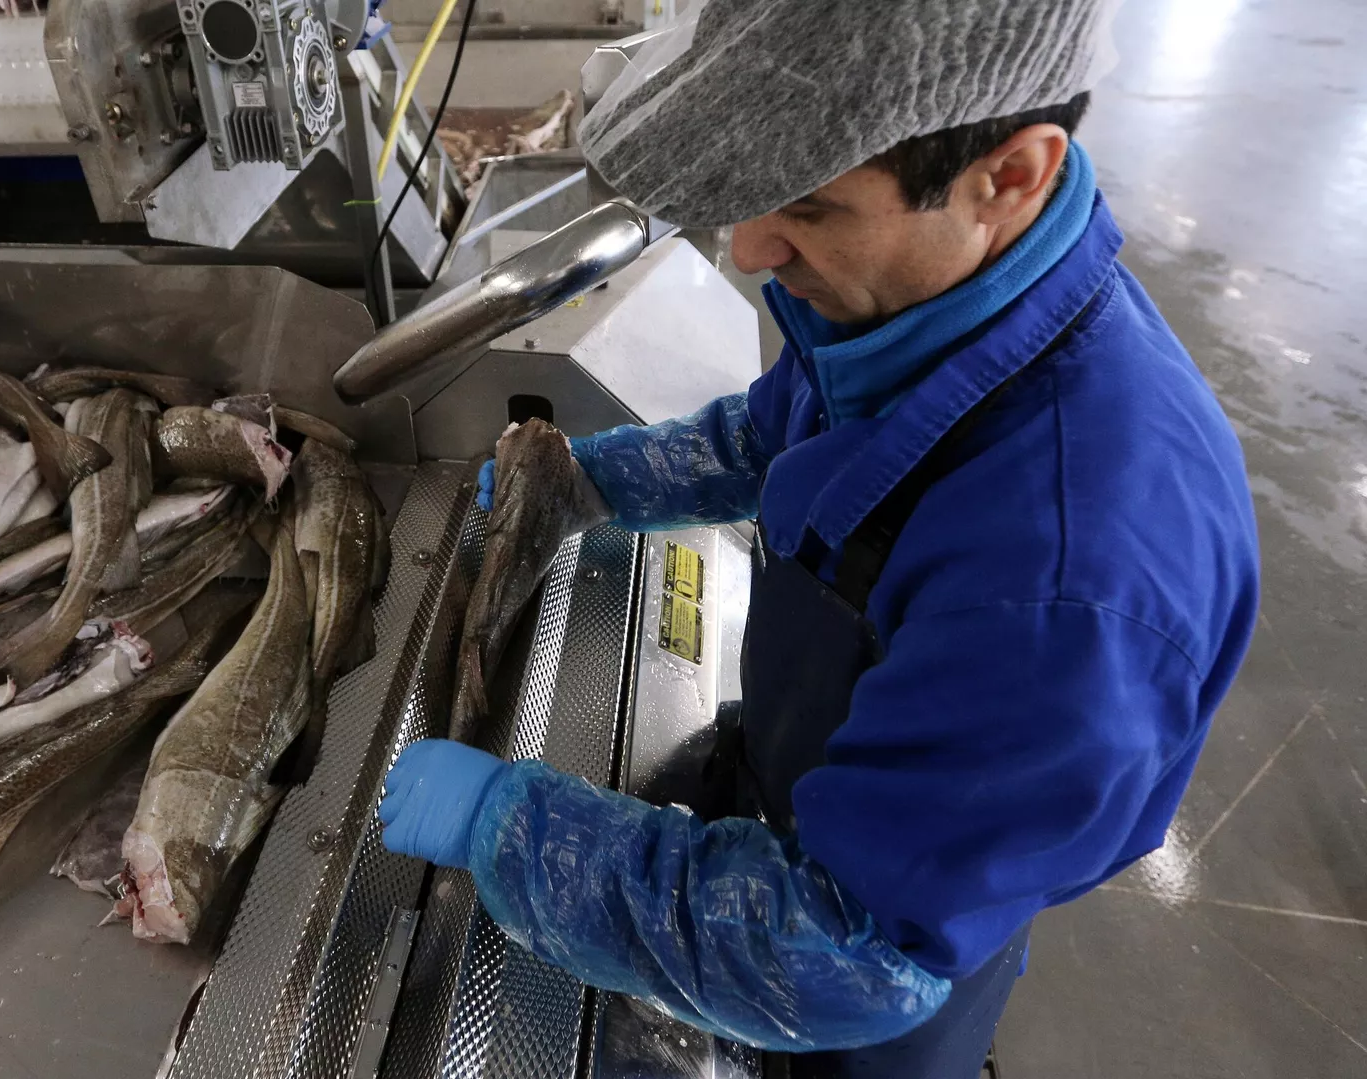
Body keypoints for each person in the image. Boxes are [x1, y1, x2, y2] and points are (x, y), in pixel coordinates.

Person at [375, 2, 1260, 1077]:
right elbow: (783, 428)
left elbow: (845, 951)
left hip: (870, 974)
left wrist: (510, 827)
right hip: (819, 784)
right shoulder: (927, 304)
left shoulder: (1067, 583)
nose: (751, 249)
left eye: (808, 206)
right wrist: (600, 479)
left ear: (1010, 175)